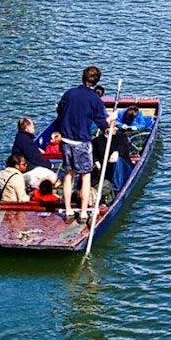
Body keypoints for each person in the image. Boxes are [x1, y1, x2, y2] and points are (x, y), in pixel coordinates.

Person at [56, 66, 115, 224]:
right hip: (81, 142)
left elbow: (60, 111)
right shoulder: (94, 99)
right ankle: (82, 213)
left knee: (68, 174)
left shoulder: (69, 93)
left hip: (66, 140)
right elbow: (101, 121)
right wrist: (109, 124)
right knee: (85, 175)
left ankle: (68, 210)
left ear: (83, 77)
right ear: (97, 81)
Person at [11, 117, 59, 192]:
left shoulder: (20, 138)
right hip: (26, 171)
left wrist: (36, 149)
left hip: (24, 168)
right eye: (33, 126)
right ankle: (35, 186)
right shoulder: (25, 140)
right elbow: (37, 160)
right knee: (53, 177)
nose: (34, 128)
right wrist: (50, 165)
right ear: (27, 128)